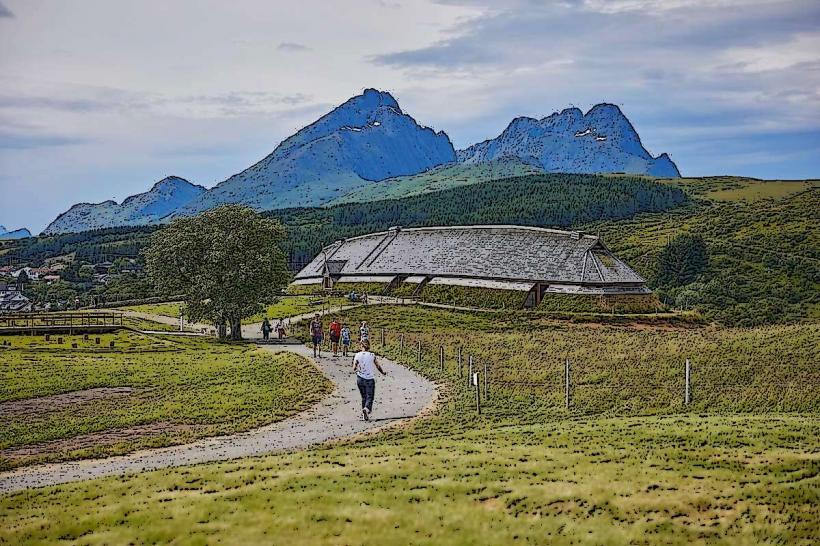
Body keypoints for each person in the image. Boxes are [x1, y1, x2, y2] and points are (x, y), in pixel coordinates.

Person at [353, 340, 386, 421]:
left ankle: (365, 415)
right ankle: (367, 409)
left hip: (360, 378)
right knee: (370, 397)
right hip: (369, 379)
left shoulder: (357, 355)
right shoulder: (372, 355)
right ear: (369, 346)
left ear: (361, 346)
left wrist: (358, 368)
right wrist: (383, 372)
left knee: (363, 397)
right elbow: (377, 366)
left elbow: (354, 367)